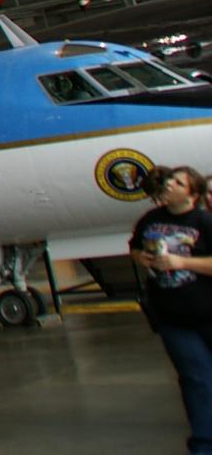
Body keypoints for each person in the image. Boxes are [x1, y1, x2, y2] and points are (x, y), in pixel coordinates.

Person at [133, 165, 212, 454]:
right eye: (169, 180)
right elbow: (134, 246)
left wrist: (183, 263)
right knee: (197, 379)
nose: (168, 184)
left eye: (177, 182)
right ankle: (204, 446)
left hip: (208, 313)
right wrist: (141, 257)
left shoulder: (204, 222)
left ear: (192, 194)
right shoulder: (150, 220)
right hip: (173, 319)